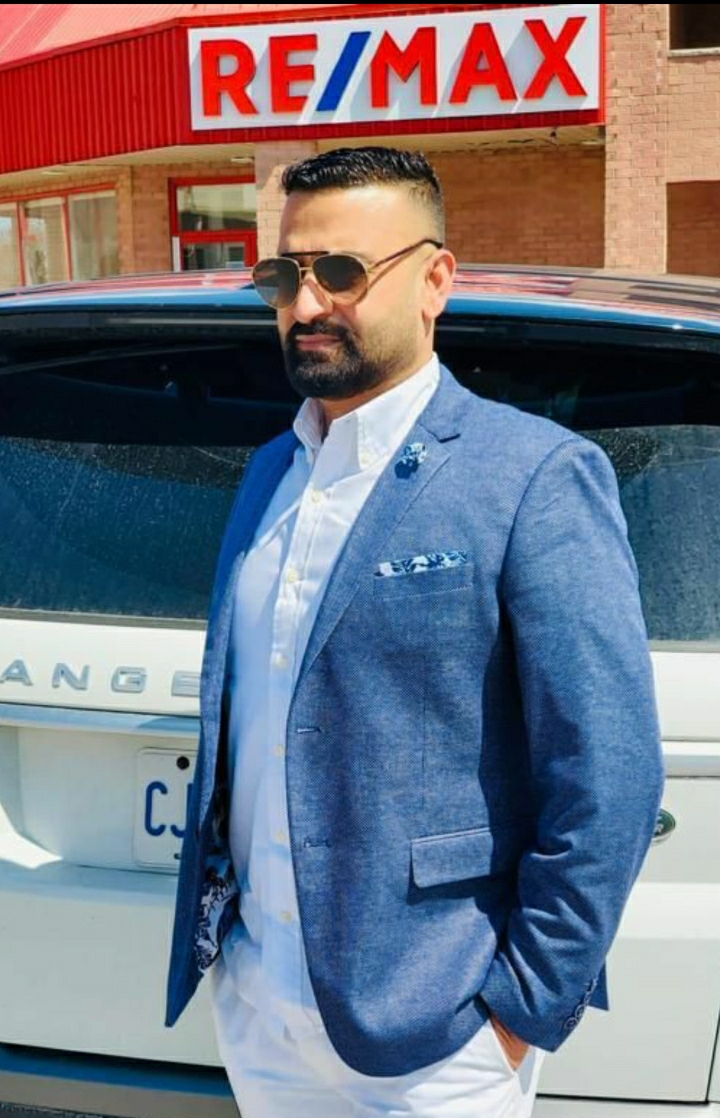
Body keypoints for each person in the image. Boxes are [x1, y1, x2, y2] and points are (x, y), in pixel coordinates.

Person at [166, 146, 664, 1118]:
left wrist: (521, 1009)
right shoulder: (271, 470)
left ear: (436, 279)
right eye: (284, 275)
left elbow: (608, 773)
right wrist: (234, 964)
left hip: (436, 1029)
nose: (307, 304)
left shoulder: (533, 475)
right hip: (261, 1006)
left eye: (341, 271)